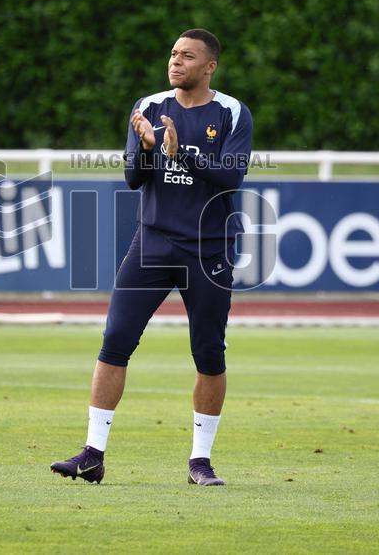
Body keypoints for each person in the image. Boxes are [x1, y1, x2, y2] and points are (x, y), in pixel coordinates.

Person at [51, 28, 253, 486]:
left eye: (187, 56)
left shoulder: (232, 113)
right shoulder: (148, 107)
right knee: (115, 339)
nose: (176, 61)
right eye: (173, 54)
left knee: (208, 354)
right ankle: (92, 453)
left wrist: (183, 153)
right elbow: (132, 178)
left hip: (208, 250)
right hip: (154, 242)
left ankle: (200, 462)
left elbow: (231, 178)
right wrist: (146, 149)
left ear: (210, 67)